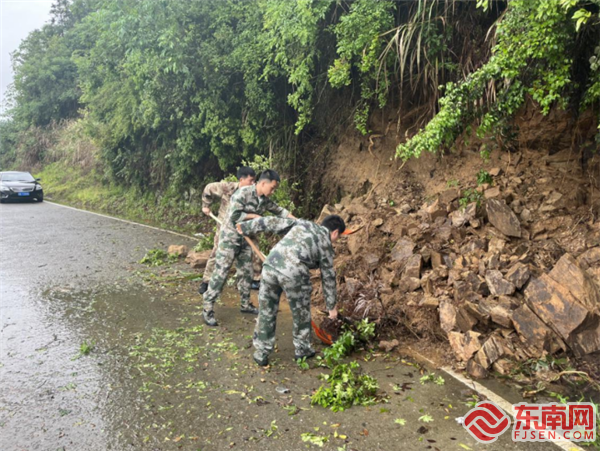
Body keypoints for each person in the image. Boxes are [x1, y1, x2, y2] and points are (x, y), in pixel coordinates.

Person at [236, 214, 345, 366]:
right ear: (335, 232)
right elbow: (328, 277)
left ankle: (261, 352)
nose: (335, 241)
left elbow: (272, 221)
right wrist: (332, 308)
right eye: (338, 237)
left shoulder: (303, 223)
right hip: (293, 272)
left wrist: (246, 227)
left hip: (270, 265)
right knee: (300, 311)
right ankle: (302, 349)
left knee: (267, 310)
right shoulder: (325, 242)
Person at [202, 169, 295, 326]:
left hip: (247, 238)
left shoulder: (264, 199)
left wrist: (298, 221)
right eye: (272, 188)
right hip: (230, 237)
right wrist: (253, 216)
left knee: (247, 272)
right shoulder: (242, 193)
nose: (272, 192)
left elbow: (280, 211)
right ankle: (208, 307)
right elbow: (234, 217)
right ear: (263, 183)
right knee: (221, 272)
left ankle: (245, 304)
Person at [198, 167, 262, 294]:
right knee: (217, 251)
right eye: (250, 180)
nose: (253, 184)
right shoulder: (227, 188)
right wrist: (205, 205)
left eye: (254, 181)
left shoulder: (253, 193)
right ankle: (207, 281)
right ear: (241, 180)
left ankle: (255, 279)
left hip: (244, 226)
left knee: (254, 249)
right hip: (225, 226)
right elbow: (208, 188)